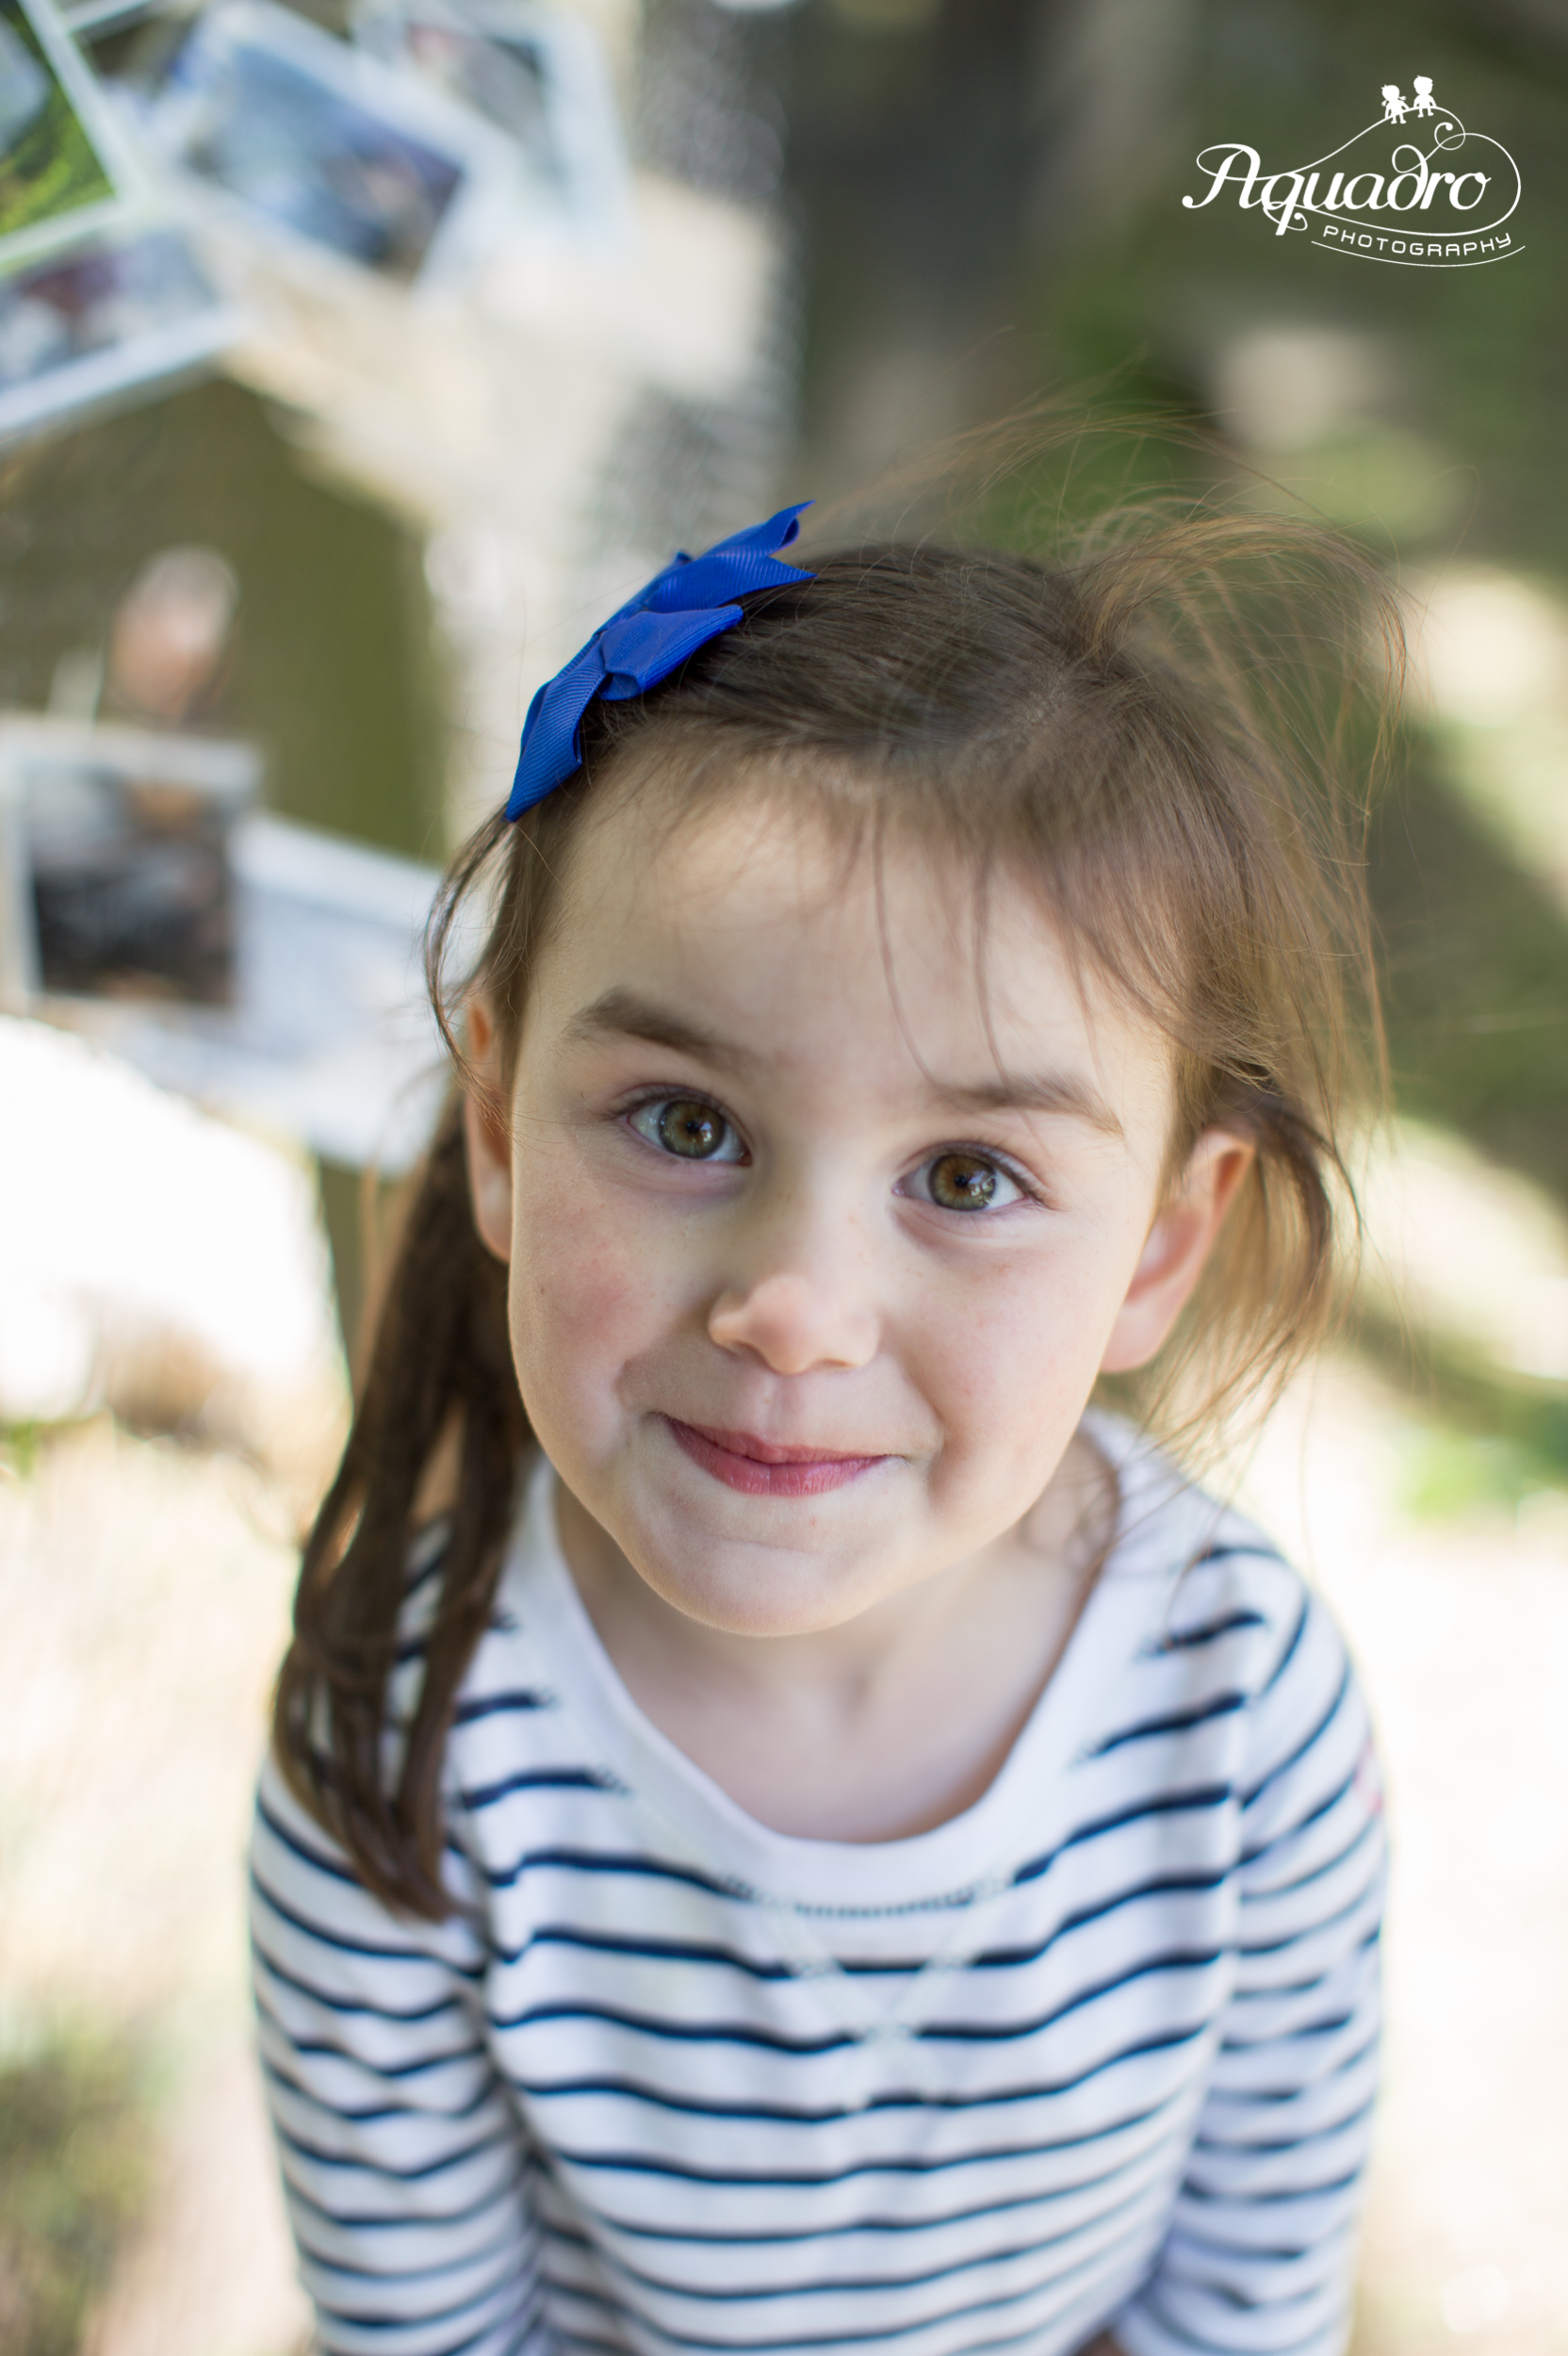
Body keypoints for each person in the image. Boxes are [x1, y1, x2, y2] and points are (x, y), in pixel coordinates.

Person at [253, 486, 1392, 2356]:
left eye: (965, 1169)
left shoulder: (1241, 1705)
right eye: (686, 1122)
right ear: (495, 1127)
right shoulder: (400, 1761)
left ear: (1163, 1243)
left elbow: (1249, 2304)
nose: (794, 1305)